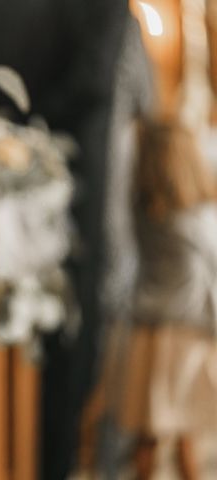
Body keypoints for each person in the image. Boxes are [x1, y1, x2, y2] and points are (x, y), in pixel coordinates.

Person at [119, 119, 217, 479]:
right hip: (186, 339)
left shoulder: (146, 215)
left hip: (148, 332)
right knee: (186, 437)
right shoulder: (200, 222)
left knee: (148, 439)